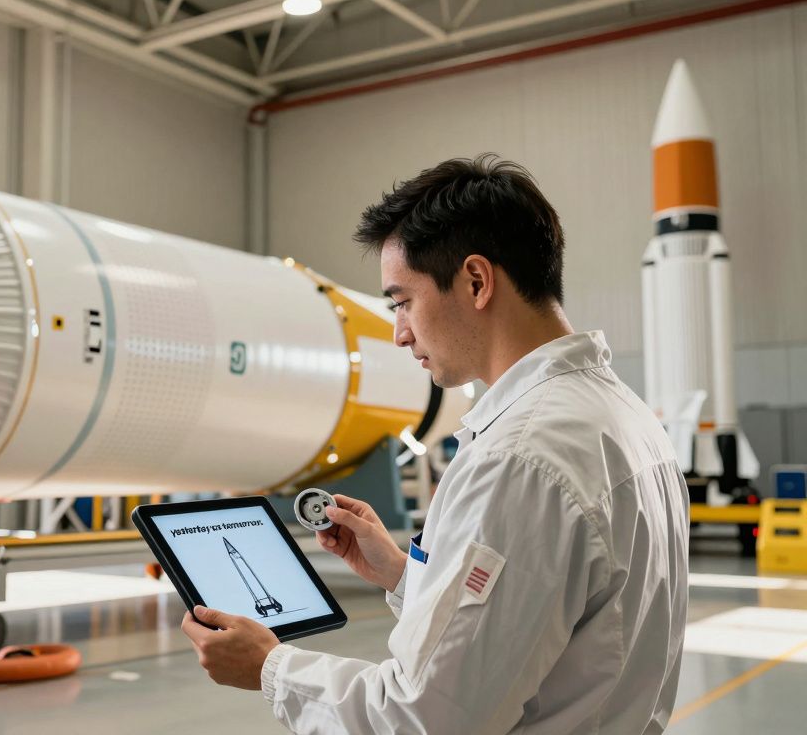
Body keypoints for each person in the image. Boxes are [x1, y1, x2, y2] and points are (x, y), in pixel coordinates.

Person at [181, 154, 689, 734]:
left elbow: (426, 718)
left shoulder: (519, 458)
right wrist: (403, 574)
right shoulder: (622, 415)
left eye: (401, 301)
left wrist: (270, 668)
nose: (399, 333)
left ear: (476, 281)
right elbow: (552, 609)